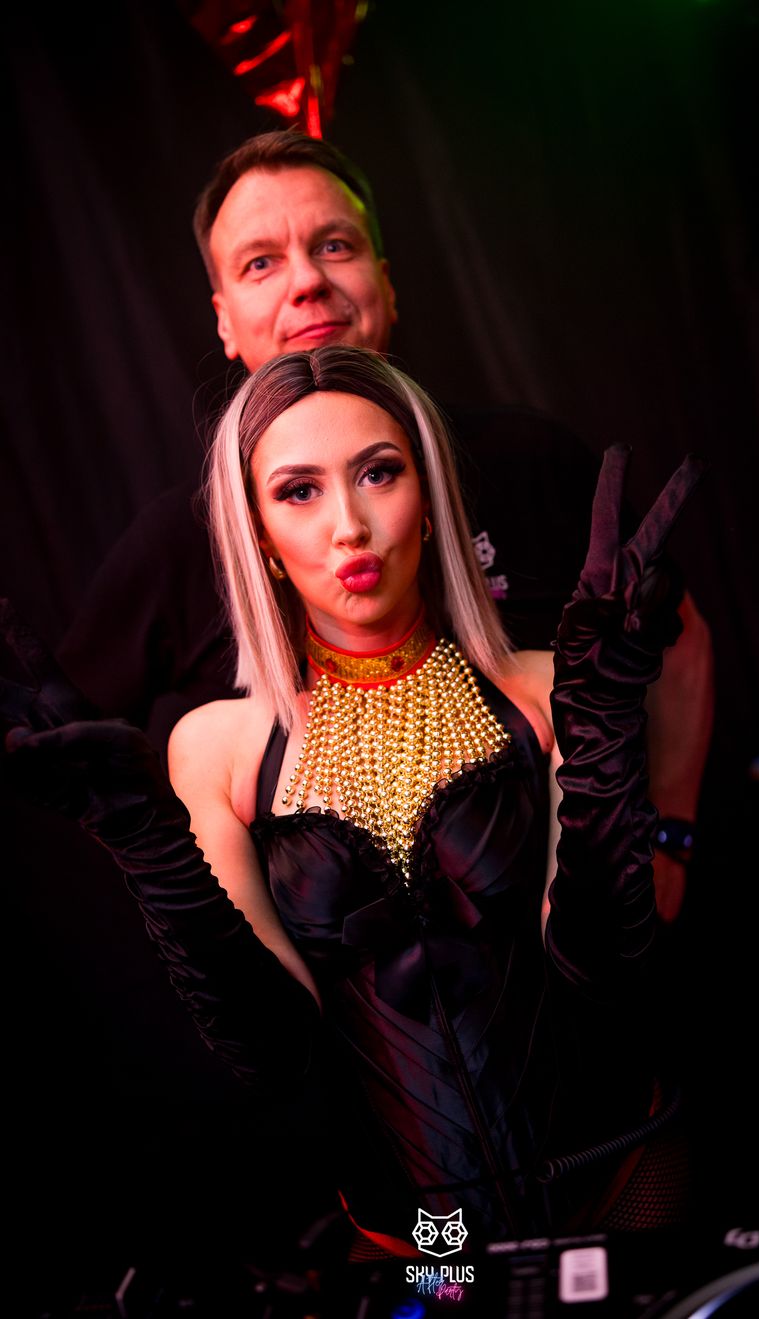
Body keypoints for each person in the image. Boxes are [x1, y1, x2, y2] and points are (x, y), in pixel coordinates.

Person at [2, 345, 705, 1253]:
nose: (349, 526)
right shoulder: (217, 749)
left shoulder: (544, 690)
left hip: (626, 1176)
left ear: (430, 497)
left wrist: (602, 729)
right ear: (258, 533)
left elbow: (601, 966)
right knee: (442, 1306)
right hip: (425, 1241)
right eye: (299, 491)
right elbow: (274, 1052)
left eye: (379, 473)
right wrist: (144, 844)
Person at [57, 129, 714, 925]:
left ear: (386, 284)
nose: (307, 280)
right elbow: (75, 747)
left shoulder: (530, 459)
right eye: (261, 263)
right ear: (224, 319)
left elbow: (678, 645)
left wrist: (668, 835)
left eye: (334, 245)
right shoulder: (177, 544)